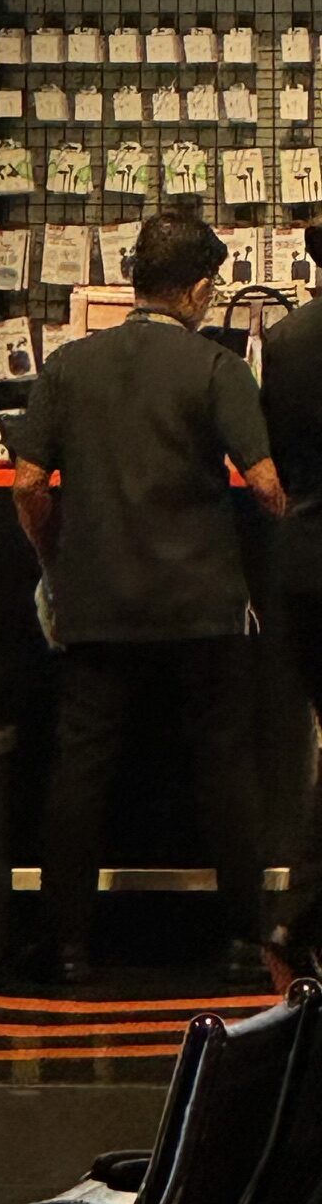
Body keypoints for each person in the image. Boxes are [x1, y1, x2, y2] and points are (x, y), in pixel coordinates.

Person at [12, 212, 285, 986]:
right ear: (197, 290)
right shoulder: (216, 369)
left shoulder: (69, 366)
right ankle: (243, 939)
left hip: (98, 602)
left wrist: (53, 561)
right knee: (224, 766)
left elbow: (27, 485)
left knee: (81, 769)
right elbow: (265, 484)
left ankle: (66, 945)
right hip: (201, 604)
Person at [259, 220, 322, 981]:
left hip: (304, 563)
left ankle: (297, 920)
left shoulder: (287, 341)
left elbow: (277, 453)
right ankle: (294, 917)